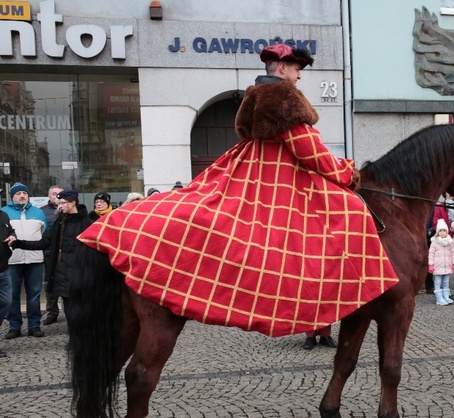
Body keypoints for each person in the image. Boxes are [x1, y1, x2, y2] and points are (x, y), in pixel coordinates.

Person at [76, 43, 398, 337]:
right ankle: (339, 288)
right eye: (297, 68)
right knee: (351, 209)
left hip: (252, 168)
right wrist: (347, 171)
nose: (300, 75)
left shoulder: (256, 96)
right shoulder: (284, 99)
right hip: (278, 177)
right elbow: (311, 151)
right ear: (282, 68)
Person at [12, 190, 91, 337]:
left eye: (62, 203)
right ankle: (74, 338)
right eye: (58, 203)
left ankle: (83, 336)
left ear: (73, 203)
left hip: (80, 272)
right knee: (68, 307)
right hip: (61, 271)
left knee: (81, 307)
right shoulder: (59, 223)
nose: (59, 206)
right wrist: (18, 243)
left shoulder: (86, 223)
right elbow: (45, 242)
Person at [1, 182, 47, 339]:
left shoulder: (38, 213)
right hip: (12, 261)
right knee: (12, 295)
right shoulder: (3, 213)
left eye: (25, 193)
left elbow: (44, 233)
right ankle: (14, 326)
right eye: (18, 193)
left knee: (34, 294)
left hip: (35, 260)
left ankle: (34, 325)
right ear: (12, 196)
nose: (22, 196)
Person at [0, 185, 17, 358]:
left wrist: (12, 237)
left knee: (5, 303)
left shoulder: (3, 215)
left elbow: (10, 231)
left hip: (2, 267)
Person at [40, 185, 62, 325]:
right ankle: (52, 312)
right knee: (51, 284)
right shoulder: (41, 212)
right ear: (49, 196)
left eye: (59, 194)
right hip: (49, 254)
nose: (57, 197)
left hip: (66, 254)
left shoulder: (69, 211)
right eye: (54, 194)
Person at [428, 219, 454, 306]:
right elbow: (431, 254)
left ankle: (446, 296)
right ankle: (439, 298)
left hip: (447, 266)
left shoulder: (450, 242)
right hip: (437, 266)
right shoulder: (434, 242)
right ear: (437, 232)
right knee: (437, 282)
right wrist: (431, 265)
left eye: (444, 230)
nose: (443, 232)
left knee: (446, 282)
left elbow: (453, 253)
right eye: (440, 230)